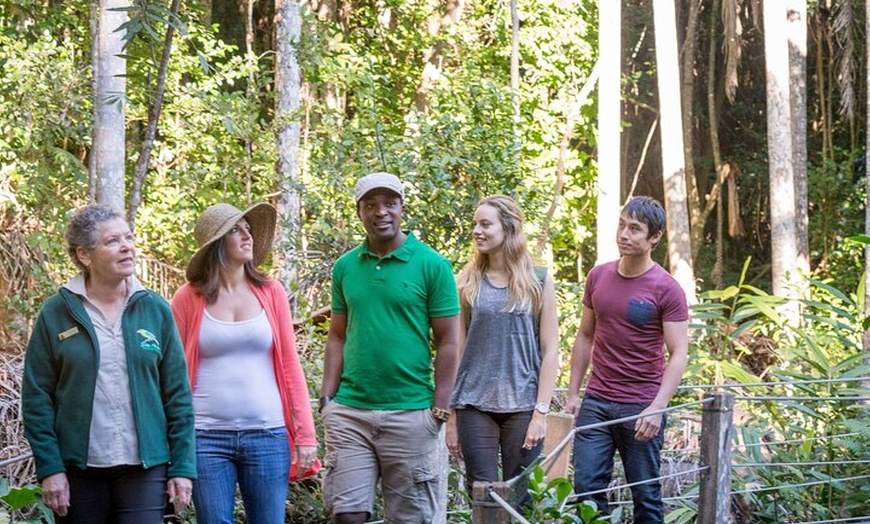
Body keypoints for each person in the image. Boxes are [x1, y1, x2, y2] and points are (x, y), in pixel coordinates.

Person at [22, 204, 196, 523]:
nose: (127, 246)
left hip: (145, 467)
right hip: (77, 470)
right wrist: (50, 468)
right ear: (85, 256)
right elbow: (37, 398)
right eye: (112, 240)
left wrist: (183, 467)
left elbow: (178, 396)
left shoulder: (155, 309)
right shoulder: (56, 312)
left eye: (128, 237)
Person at [320, 172, 460, 524]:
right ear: (359, 212)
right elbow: (337, 336)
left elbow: (449, 341)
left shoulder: (432, 265)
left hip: (411, 413)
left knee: (411, 519)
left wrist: (440, 409)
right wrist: (327, 400)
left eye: (389, 204)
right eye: (370, 205)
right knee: (347, 515)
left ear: (401, 209)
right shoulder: (346, 267)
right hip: (351, 412)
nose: (380, 212)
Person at [170, 202, 318, 524]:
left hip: (268, 434)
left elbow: (291, 365)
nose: (247, 235)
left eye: (247, 228)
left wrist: (306, 434)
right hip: (205, 437)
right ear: (216, 244)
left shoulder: (271, 291)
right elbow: (173, 376)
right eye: (235, 229)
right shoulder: (187, 298)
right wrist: (176, 445)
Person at [566, 196, 689, 524]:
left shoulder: (667, 289)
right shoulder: (598, 276)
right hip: (597, 401)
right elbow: (585, 336)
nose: (624, 234)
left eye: (635, 229)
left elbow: (678, 354)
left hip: (641, 406)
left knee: (645, 495)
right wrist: (573, 393)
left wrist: (657, 407)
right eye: (622, 225)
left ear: (655, 238)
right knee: (587, 489)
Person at [446, 195, 559, 506]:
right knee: (483, 498)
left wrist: (541, 412)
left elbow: (550, 350)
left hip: (523, 405)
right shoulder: (467, 281)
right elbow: (457, 350)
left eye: (485, 224)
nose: (477, 231)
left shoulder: (538, 280)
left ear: (508, 228)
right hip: (474, 404)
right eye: (475, 225)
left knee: (521, 499)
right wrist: (452, 417)